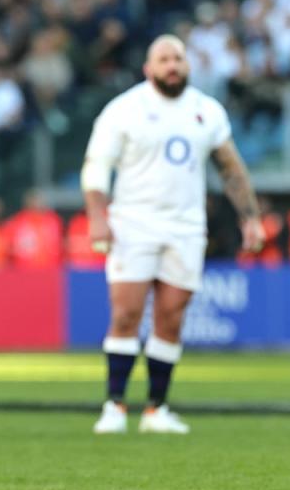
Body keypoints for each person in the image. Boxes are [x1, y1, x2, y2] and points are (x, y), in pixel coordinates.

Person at [81, 35, 264, 435]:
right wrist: (98, 216)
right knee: (126, 313)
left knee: (171, 317)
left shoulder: (206, 110)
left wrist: (249, 216)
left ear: (188, 65)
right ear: (148, 68)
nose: (172, 65)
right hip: (134, 223)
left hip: (186, 226)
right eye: (163, 59)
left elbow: (230, 167)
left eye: (178, 58)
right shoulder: (124, 109)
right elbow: (96, 167)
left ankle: (156, 410)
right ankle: (114, 406)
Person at [4, 188, 63, 269]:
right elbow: (8, 247)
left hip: (51, 268)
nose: (38, 203)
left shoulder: (53, 220)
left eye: (40, 200)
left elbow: (60, 243)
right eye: (34, 200)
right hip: (24, 269)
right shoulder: (17, 221)